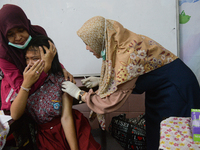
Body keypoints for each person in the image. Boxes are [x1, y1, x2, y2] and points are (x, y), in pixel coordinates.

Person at [61, 16, 200, 149]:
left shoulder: (128, 55)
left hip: (178, 90)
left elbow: (111, 102)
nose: (87, 48)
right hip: (160, 89)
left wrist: (80, 94)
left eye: (87, 43)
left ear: (99, 39)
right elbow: (128, 76)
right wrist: (102, 81)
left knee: (178, 137)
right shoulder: (117, 41)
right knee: (155, 131)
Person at [10, 35, 101, 150]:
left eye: (35, 58)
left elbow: (66, 117)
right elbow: (15, 114)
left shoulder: (60, 79)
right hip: (47, 136)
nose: (30, 64)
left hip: (71, 129)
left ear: (49, 57)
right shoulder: (22, 81)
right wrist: (26, 85)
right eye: (27, 59)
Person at [0, 4, 75, 111]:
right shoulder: (3, 54)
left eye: (21, 30)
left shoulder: (38, 33)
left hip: (42, 86)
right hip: (18, 92)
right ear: (4, 34)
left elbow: (50, 56)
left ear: (25, 24)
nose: (18, 37)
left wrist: (61, 69)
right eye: (11, 34)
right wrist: (45, 68)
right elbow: (22, 89)